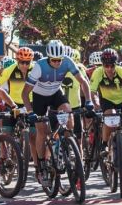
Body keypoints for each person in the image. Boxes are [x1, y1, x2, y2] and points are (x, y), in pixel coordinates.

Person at [21, 40, 93, 175]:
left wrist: (89, 101)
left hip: (55, 93)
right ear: (48, 58)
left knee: (68, 114)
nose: (57, 63)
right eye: (54, 60)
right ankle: (41, 163)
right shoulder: (39, 66)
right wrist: (30, 111)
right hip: (39, 97)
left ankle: (66, 145)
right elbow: (25, 93)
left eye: (59, 60)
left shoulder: (67, 61)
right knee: (41, 131)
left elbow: (83, 82)